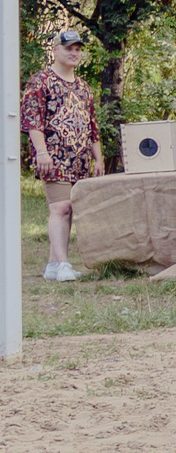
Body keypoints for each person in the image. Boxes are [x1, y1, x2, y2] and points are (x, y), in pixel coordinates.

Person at [21, 27, 104, 282]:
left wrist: (98, 158)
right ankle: (64, 264)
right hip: (53, 156)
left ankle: (53, 265)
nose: (74, 53)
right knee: (60, 208)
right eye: (69, 48)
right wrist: (42, 152)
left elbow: (92, 126)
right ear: (55, 50)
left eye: (78, 49)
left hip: (79, 159)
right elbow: (33, 121)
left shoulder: (83, 87)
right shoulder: (41, 81)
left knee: (68, 210)